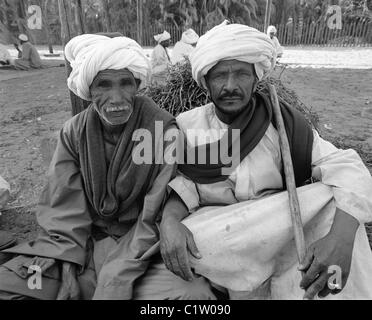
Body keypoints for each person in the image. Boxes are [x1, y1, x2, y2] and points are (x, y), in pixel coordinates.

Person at [159, 21, 372, 300]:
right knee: (189, 236)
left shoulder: (281, 122)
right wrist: (169, 221)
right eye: (220, 76)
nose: (230, 86)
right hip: (224, 244)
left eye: (241, 75)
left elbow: (348, 167)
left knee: (333, 200)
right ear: (205, 82)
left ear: (256, 77)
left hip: (280, 234)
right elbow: (182, 187)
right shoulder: (186, 128)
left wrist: (340, 240)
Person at [0, 34, 215, 300]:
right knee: (14, 284)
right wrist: (68, 270)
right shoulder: (74, 132)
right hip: (81, 248)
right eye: (103, 85)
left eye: (125, 83)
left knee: (193, 296)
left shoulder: (160, 130)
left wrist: (117, 276)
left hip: (142, 251)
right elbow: (65, 209)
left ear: (137, 85)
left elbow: (152, 216)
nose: (116, 98)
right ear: (89, 90)